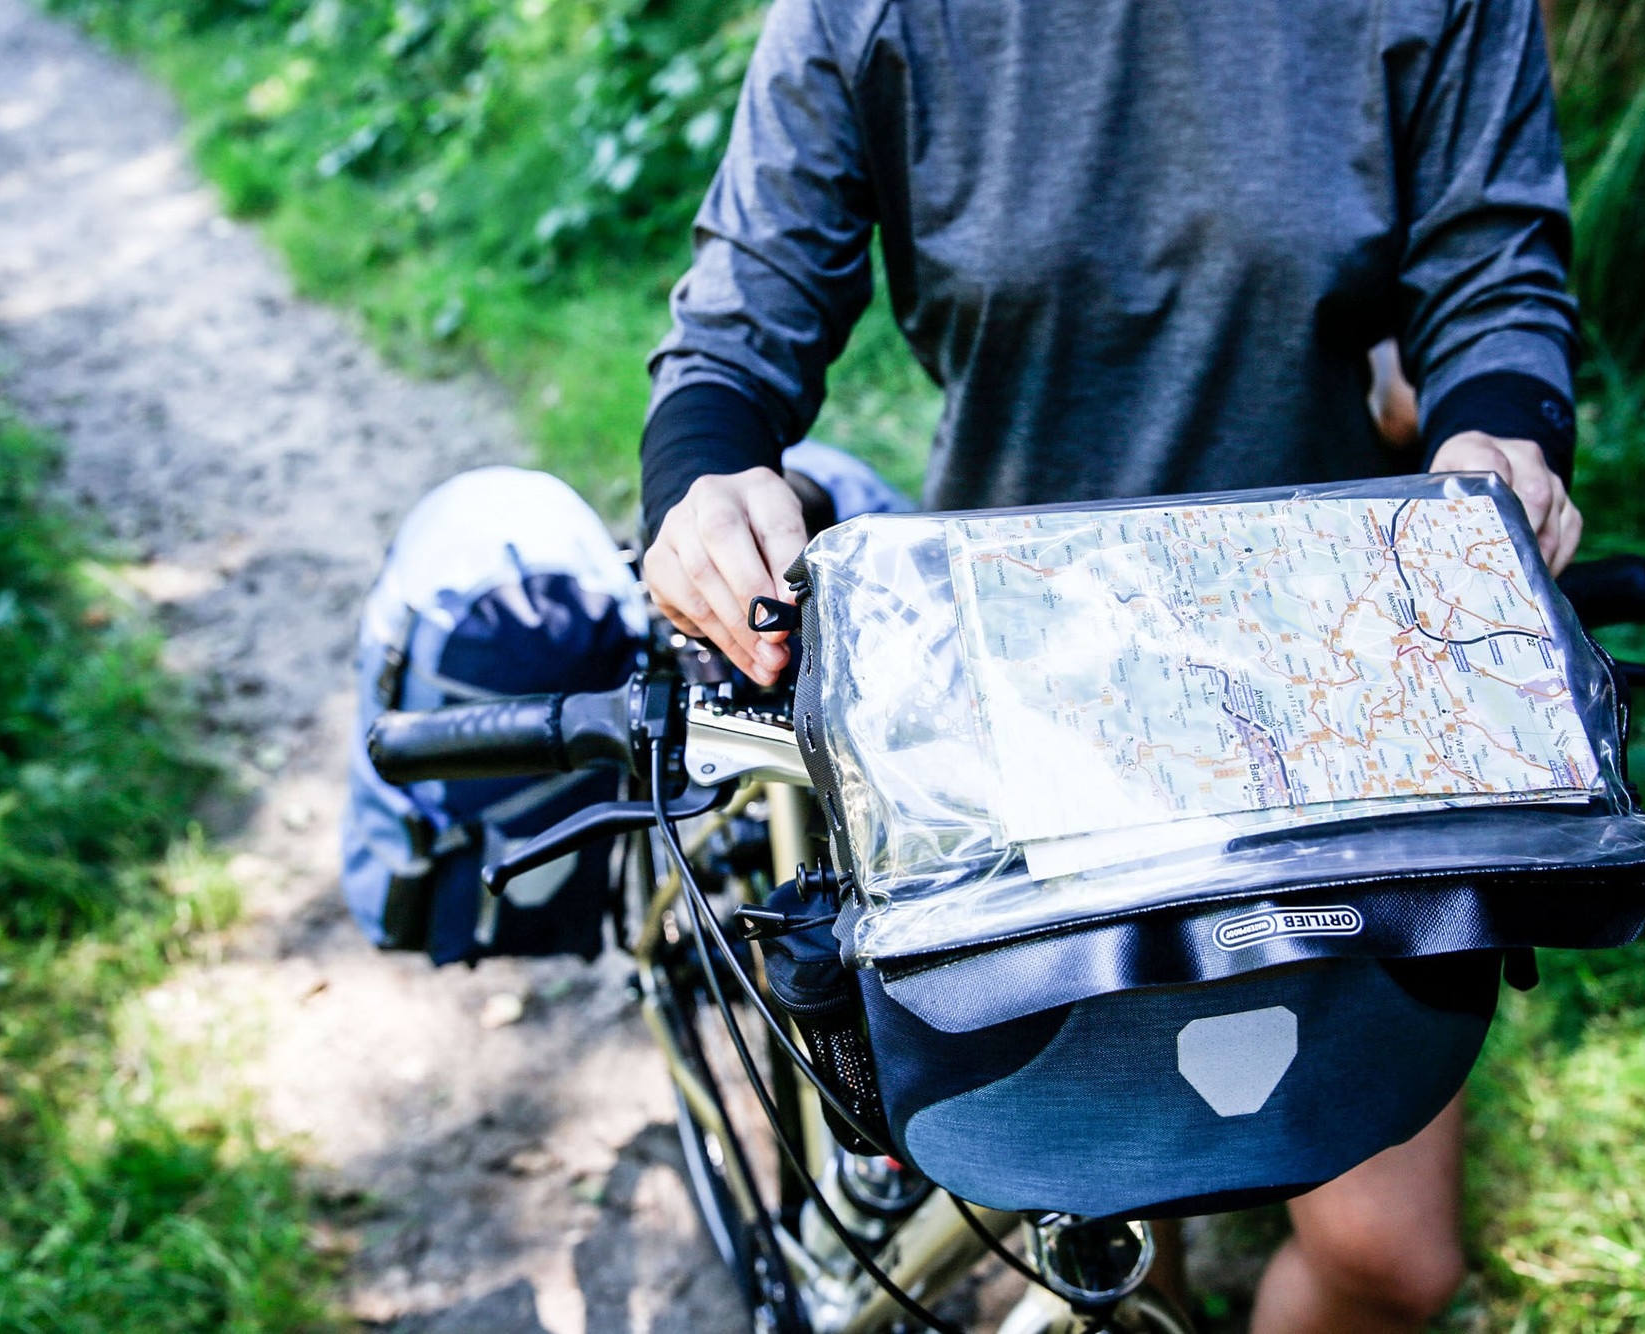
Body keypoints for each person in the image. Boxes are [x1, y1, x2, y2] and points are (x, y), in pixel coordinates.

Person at [636, 0, 1585, 1327]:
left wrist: (1502, 434)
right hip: (1025, 700)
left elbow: (1492, 271)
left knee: (1392, 1259)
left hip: (1336, 682)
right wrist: (706, 474)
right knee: (1108, 1218)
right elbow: (743, 316)